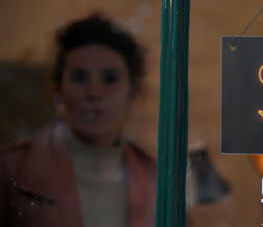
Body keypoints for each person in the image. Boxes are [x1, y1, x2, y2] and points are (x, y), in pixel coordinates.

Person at [0, 14, 157, 227]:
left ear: (135, 92)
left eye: (110, 78)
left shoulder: (157, 179)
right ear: (57, 89)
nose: (94, 93)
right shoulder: (10, 170)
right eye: (79, 77)